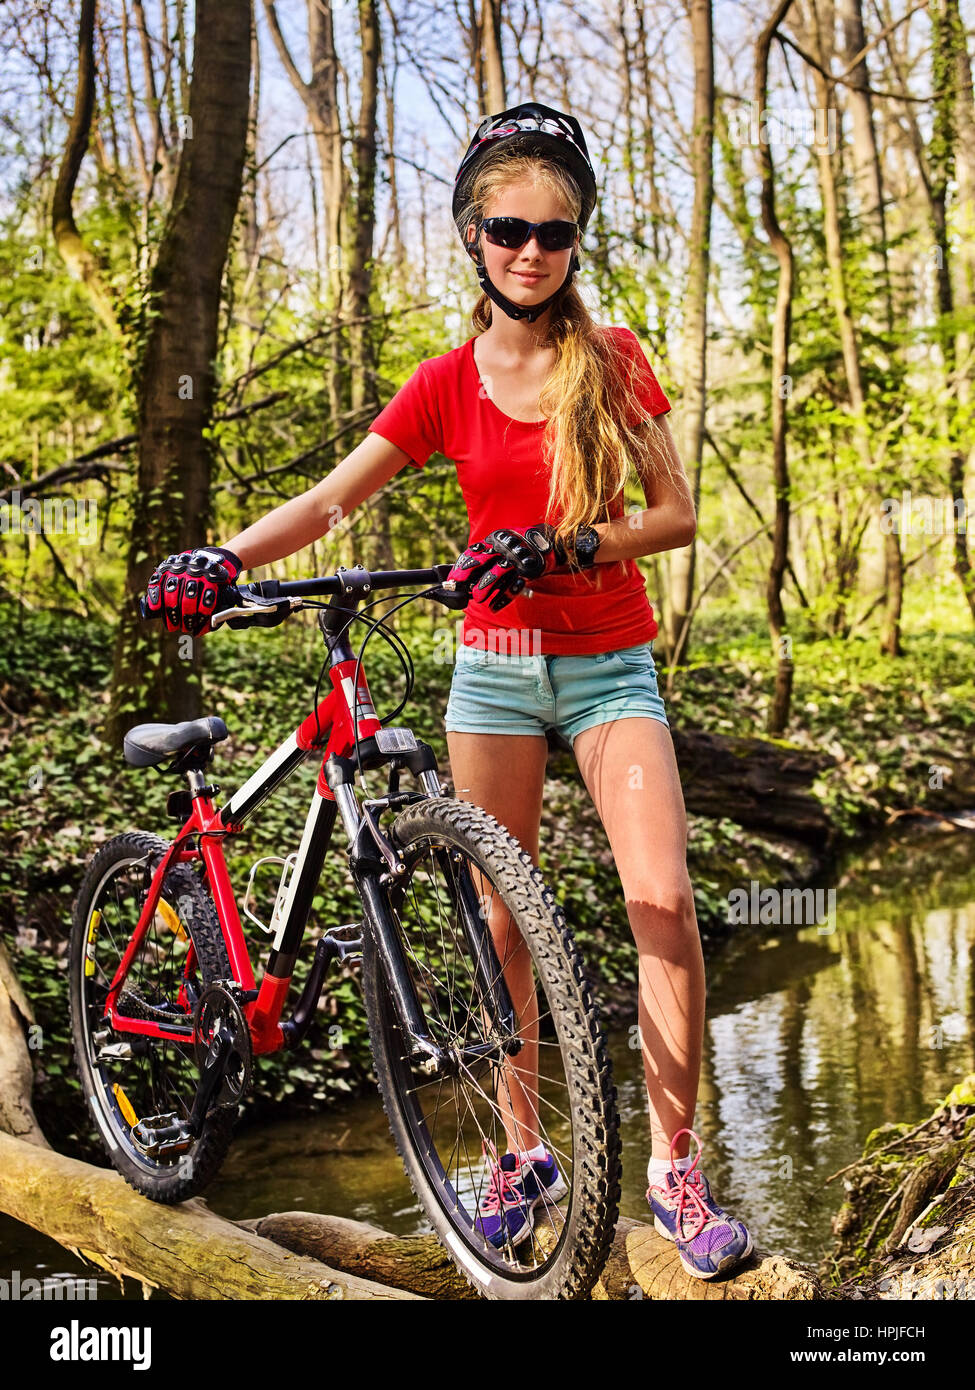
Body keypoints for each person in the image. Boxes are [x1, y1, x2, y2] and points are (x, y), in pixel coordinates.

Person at [145, 103, 752, 1281]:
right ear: (475, 237)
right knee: (499, 925)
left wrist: (570, 542)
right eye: (510, 227)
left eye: (556, 231)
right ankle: (522, 1154)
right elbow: (332, 501)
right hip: (495, 674)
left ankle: (678, 1166)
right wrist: (222, 557)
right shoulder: (442, 383)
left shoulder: (611, 360)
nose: (533, 249)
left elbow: (674, 515)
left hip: (608, 665)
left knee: (665, 903)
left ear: (578, 242)